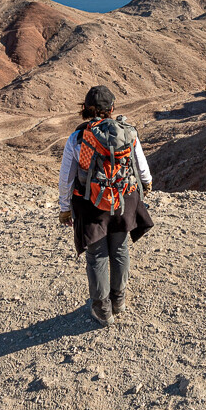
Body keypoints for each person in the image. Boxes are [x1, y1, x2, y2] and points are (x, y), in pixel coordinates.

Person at [58, 85, 154, 326]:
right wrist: (146, 184)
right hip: (123, 199)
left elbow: (67, 177)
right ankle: (118, 300)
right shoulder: (127, 132)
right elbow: (141, 166)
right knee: (120, 249)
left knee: (97, 254)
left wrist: (64, 207)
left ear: (86, 109)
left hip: (91, 203)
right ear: (112, 109)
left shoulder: (78, 137)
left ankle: (102, 309)